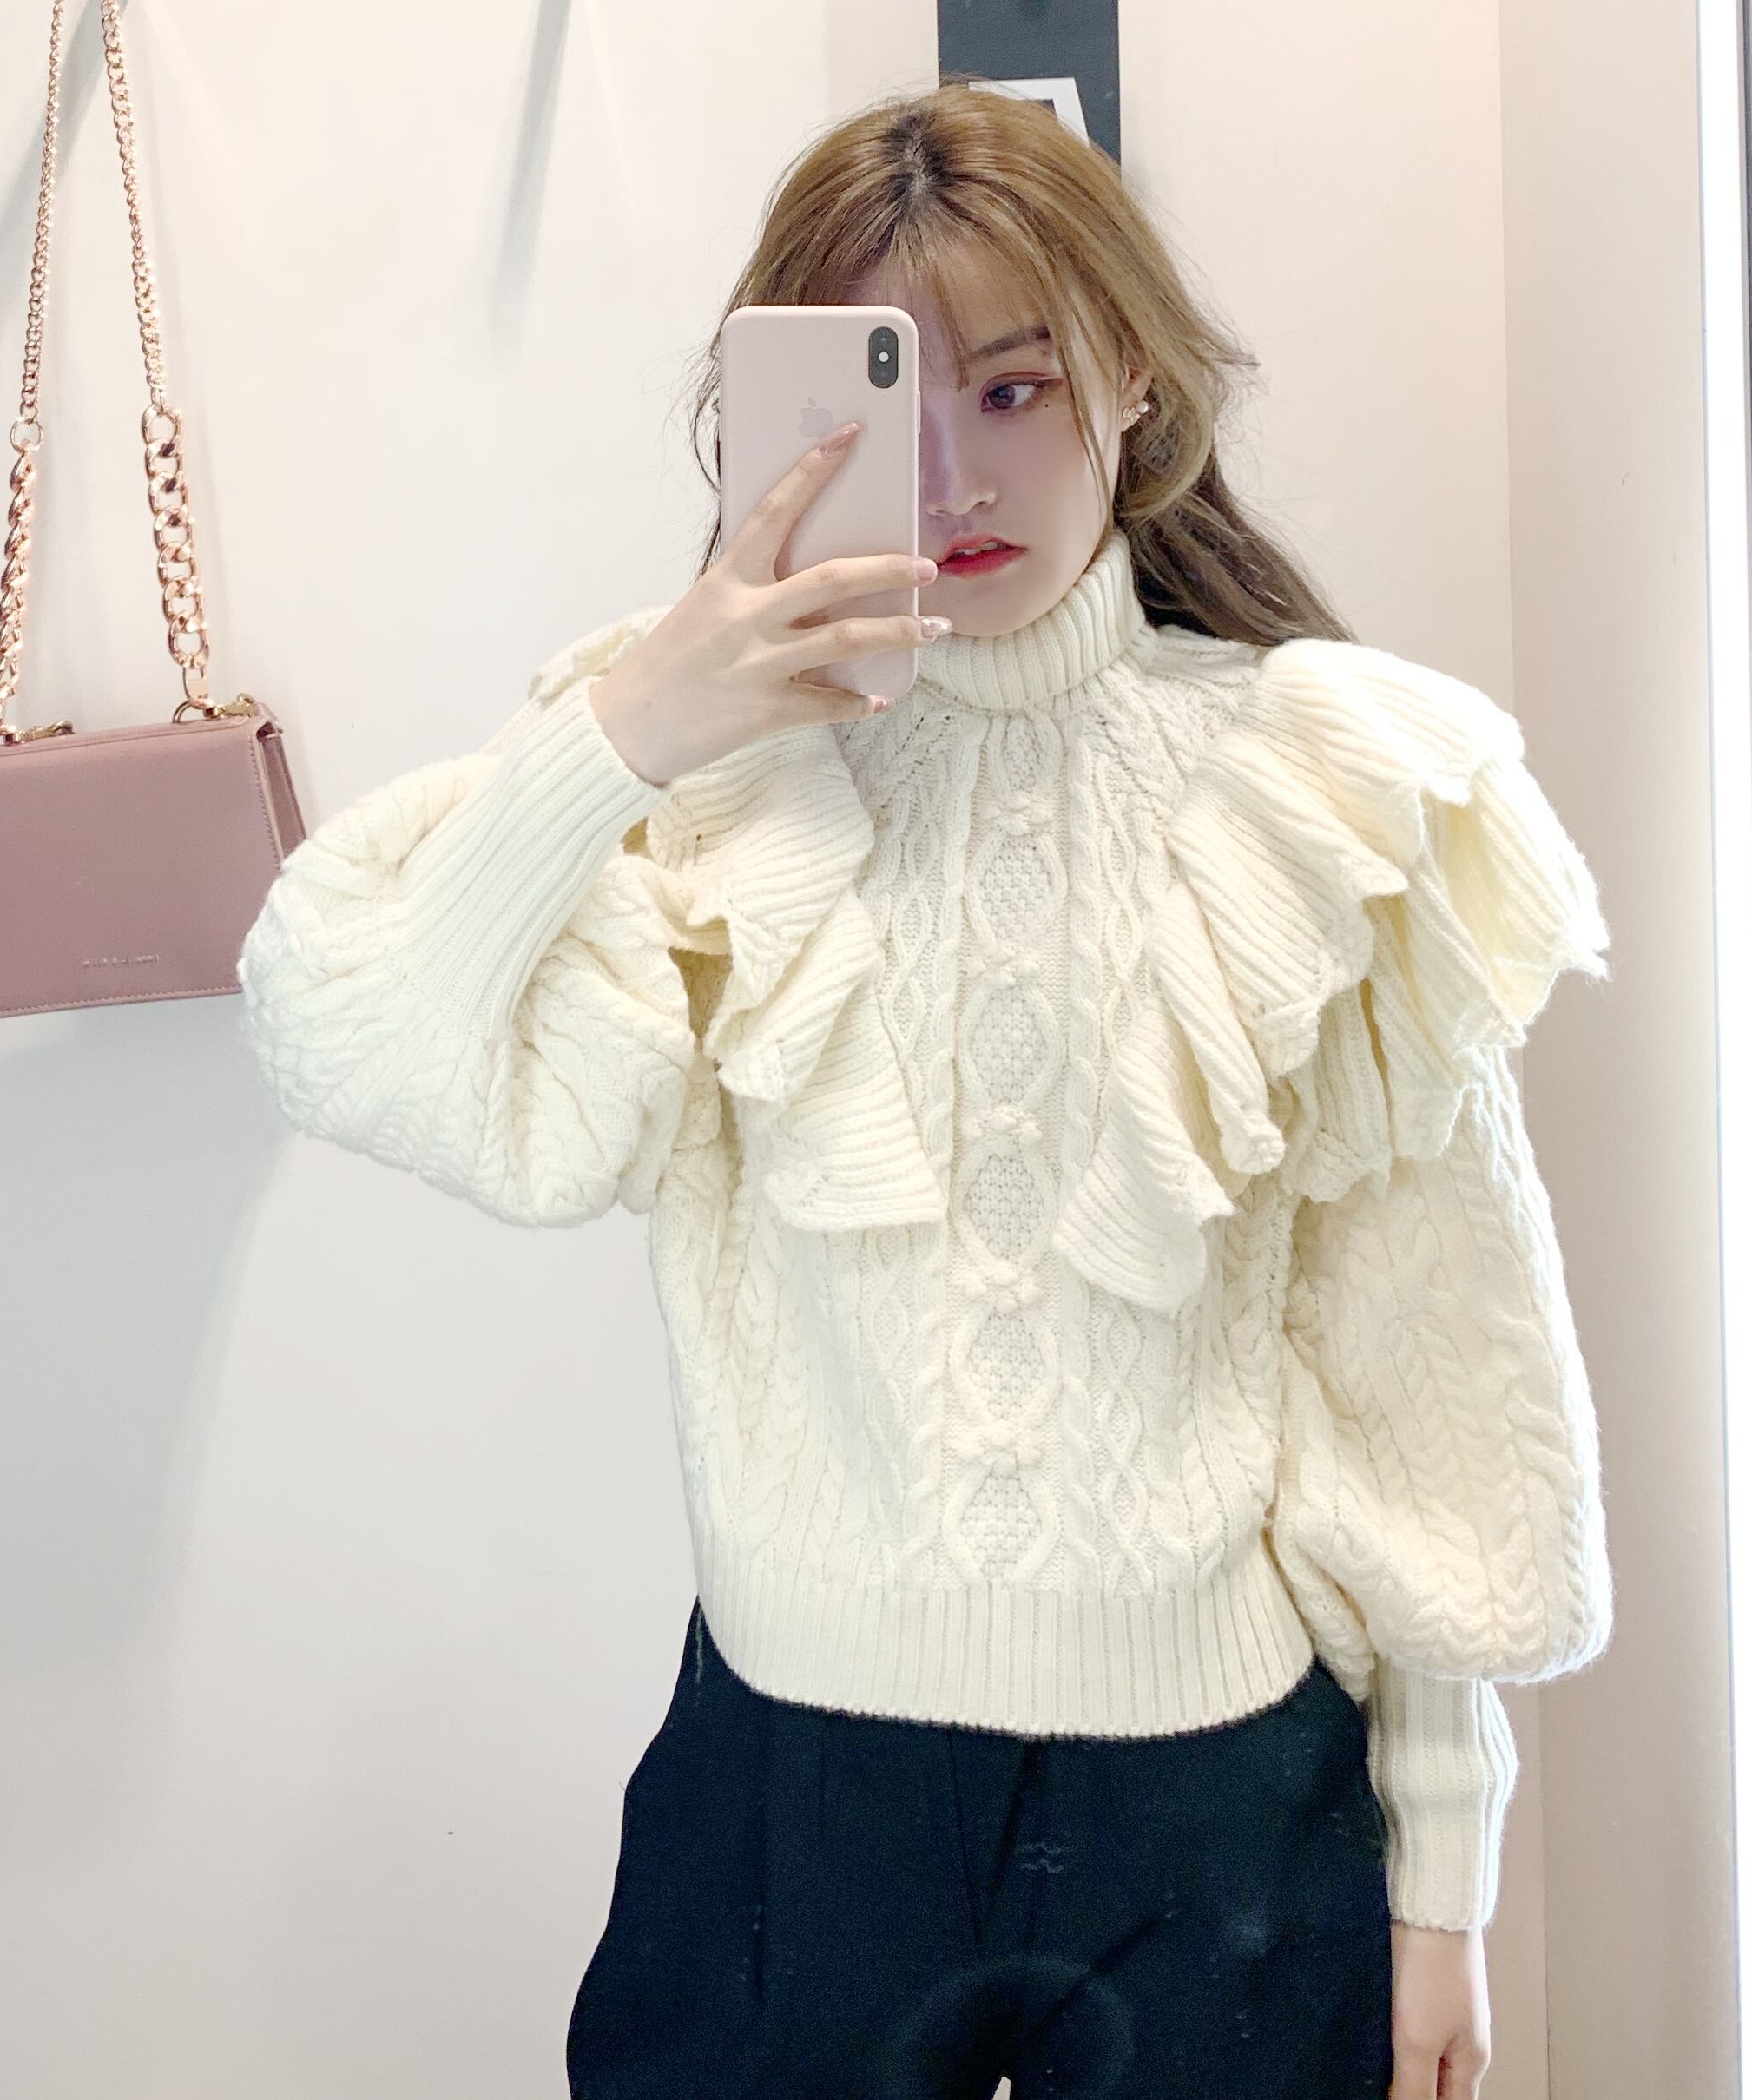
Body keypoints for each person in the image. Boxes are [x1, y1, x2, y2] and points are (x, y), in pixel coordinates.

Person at [235, 80, 1614, 2100]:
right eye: (889, 401)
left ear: (1132, 377)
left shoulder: (1314, 786)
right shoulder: (704, 779)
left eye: (1016, 385)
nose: (954, 471)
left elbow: (1436, 1369)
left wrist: (1445, 1884)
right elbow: (355, 1037)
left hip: (1221, 1808)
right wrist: (628, 730)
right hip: (796, 1785)